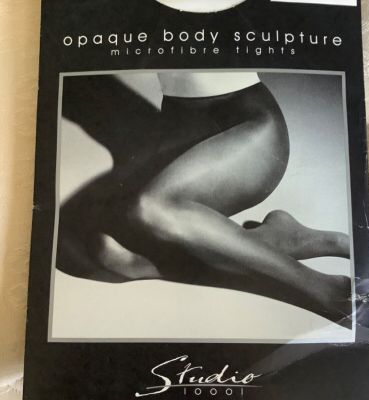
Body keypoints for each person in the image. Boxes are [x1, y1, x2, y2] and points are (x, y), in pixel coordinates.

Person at [58, 71, 353, 328]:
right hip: (181, 134)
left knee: (153, 209)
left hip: (248, 130)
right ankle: (274, 240)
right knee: (92, 248)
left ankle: (327, 291)